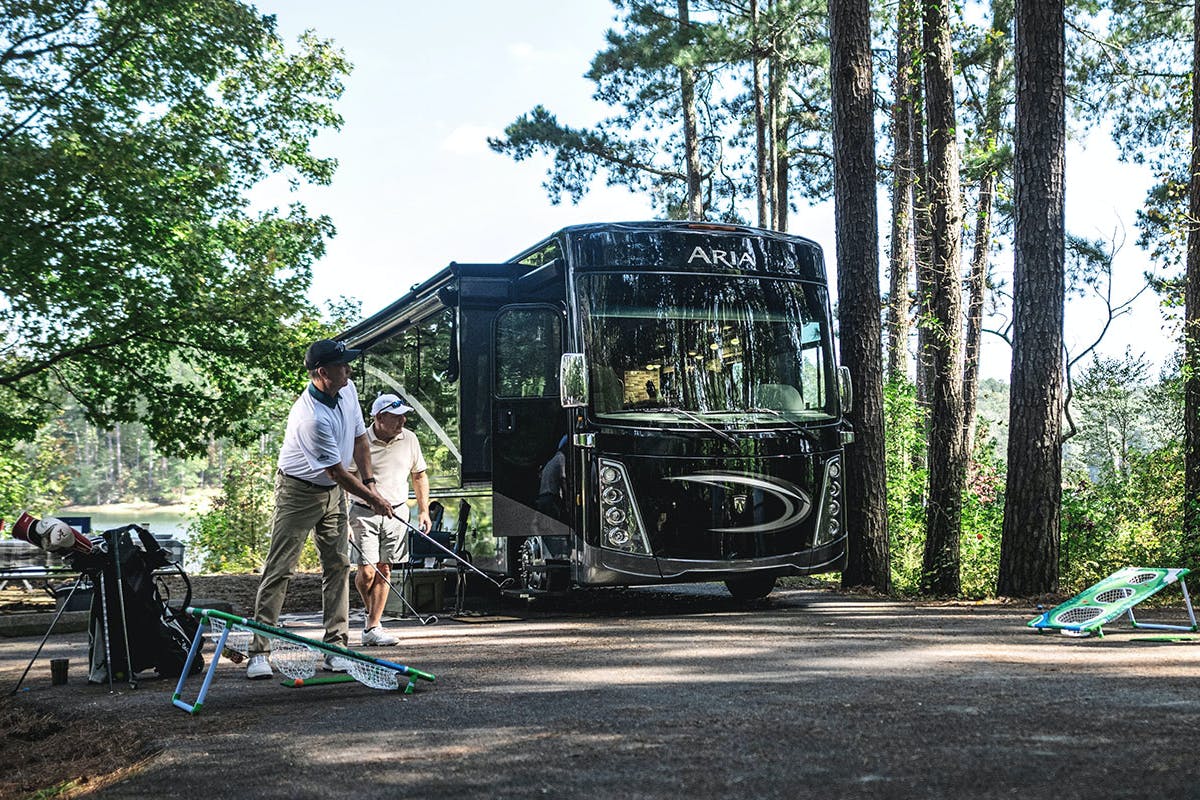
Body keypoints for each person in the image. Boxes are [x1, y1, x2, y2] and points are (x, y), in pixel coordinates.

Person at [245, 339, 393, 680]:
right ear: (323, 373)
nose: (350, 369)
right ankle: (259, 652)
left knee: (338, 567)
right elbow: (338, 473)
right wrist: (375, 500)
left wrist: (370, 483)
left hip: (333, 494)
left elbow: (359, 440)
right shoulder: (310, 417)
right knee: (280, 569)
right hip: (298, 492)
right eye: (343, 365)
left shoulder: (348, 389)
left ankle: (335, 648)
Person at [349, 393, 432, 645]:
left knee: (385, 569)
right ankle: (371, 613)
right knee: (367, 572)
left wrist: (424, 510)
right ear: (379, 417)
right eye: (396, 417)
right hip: (364, 512)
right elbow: (347, 479)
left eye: (403, 416)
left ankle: (373, 626)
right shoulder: (360, 440)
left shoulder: (410, 439)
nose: (402, 421)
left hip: (397, 512)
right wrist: (343, 519)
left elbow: (419, 475)